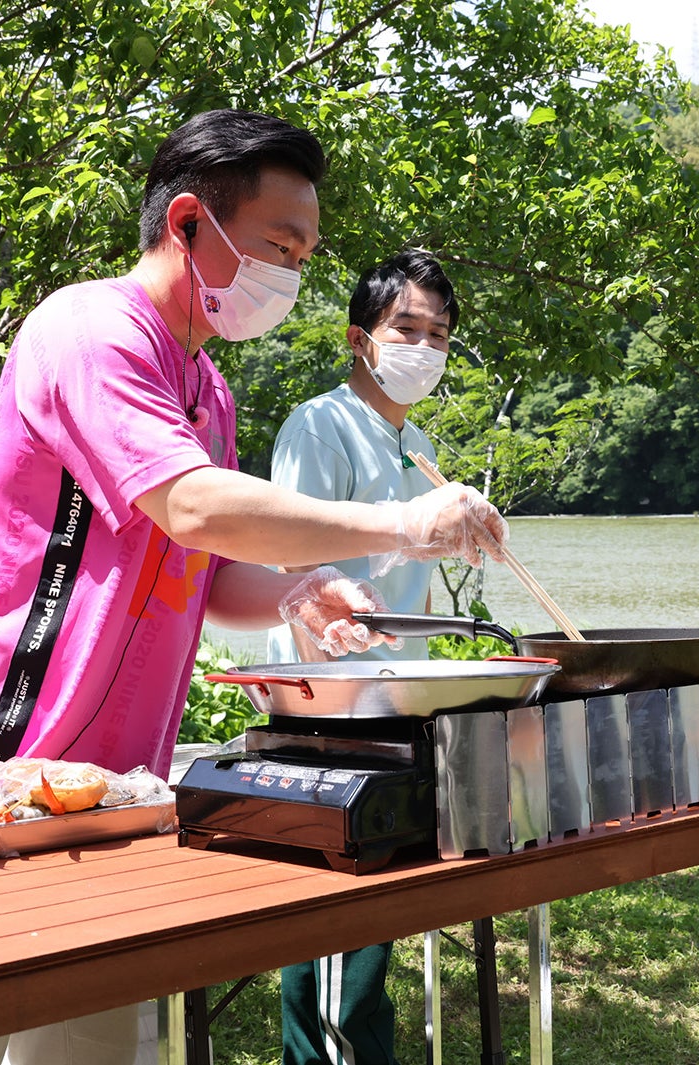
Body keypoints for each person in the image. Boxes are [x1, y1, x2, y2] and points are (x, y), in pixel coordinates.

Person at [0, 109, 508, 1065]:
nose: (291, 276)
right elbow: (192, 507)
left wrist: (298, 592)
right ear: (187, 222)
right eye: (278, 246)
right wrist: (402, 525)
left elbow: (206, 573)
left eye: (305, 253)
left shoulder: (206, 387)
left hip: (113, 784)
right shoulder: (90, 330)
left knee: (93, 1044)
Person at [266, 249, 458, 1065]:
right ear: (360, 337)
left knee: (372, 927)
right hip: (327, 709)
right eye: (407, 328)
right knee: (337, 938)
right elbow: (292, 561)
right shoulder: (323, 424)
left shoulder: (413, 444)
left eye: (440, 335)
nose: (424, 347)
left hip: (391, 702)